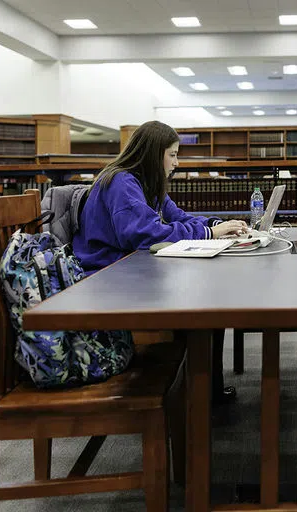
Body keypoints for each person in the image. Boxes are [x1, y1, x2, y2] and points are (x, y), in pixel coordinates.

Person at [73, 120, 247, 404]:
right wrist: (209, 234)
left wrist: (216, 224)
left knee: (205, 296)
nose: (177, 163)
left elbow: (177, 217)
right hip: (107, 277)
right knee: (198, 299)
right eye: (173, 154)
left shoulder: (147, 184)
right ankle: (198, 392)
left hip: (129, 270)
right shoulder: (122, 181)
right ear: (155, 154)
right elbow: (144, 235)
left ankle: (205, 389)